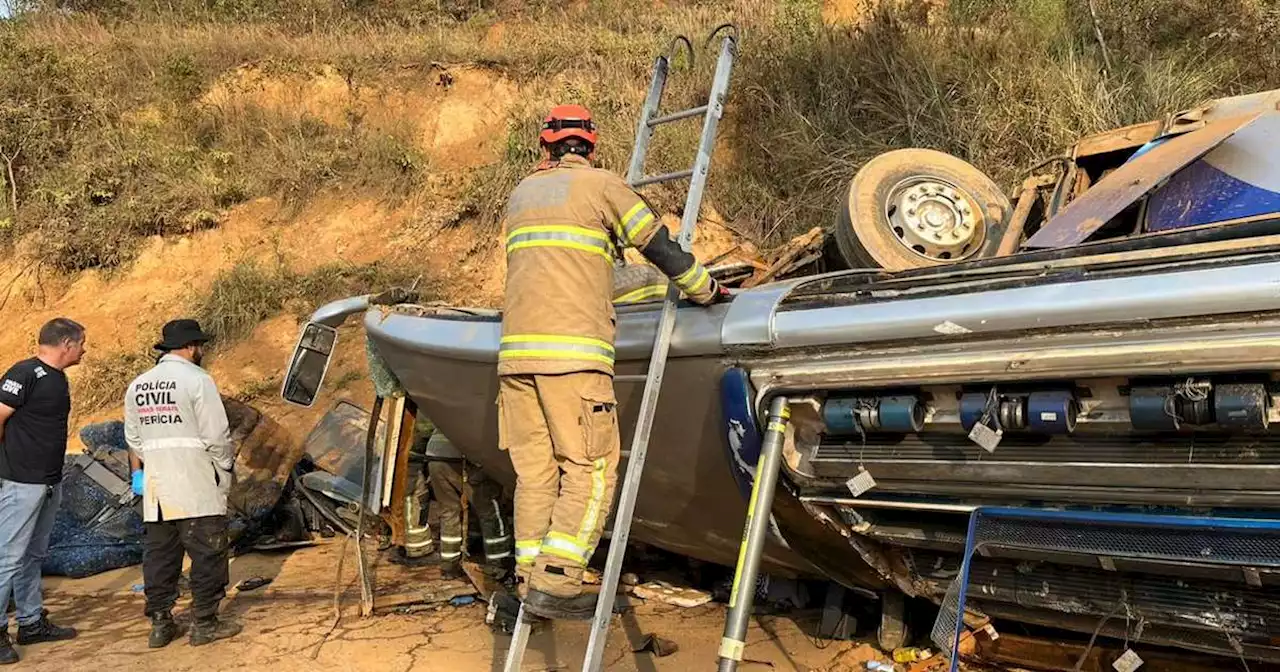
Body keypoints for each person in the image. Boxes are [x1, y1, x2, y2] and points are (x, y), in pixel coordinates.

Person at [499, 104, 728, 620]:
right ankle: (557, 583)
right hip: (574, 357)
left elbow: (557, 267)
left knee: (536, 474)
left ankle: (527, 577)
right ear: (591, 147)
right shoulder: (602, 185)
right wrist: (705, 289)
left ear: (546, 146)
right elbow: (657, 247)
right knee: (592, 468)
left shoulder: (520, 195)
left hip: (515, 362)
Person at [125, 319, 241, 649]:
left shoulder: (138, 385)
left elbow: (133, 438)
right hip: (196, 482)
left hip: (157, 489)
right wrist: (223, 469)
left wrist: (148, 468)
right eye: (199, 346)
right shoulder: (197, 380)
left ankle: (161, 625)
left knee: (161, 557)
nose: (201, 351)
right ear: (191, 347)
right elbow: (217, 435)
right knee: (208, 552)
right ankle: (205, 623)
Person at [0, 318, 85, 665]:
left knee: (33, 555)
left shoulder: (57, 378)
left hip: (48, 481)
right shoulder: (24, 374)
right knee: (8, 557)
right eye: (81, 343)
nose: (84, 349)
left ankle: (31, 621)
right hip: (21, 481)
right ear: (66, 343)